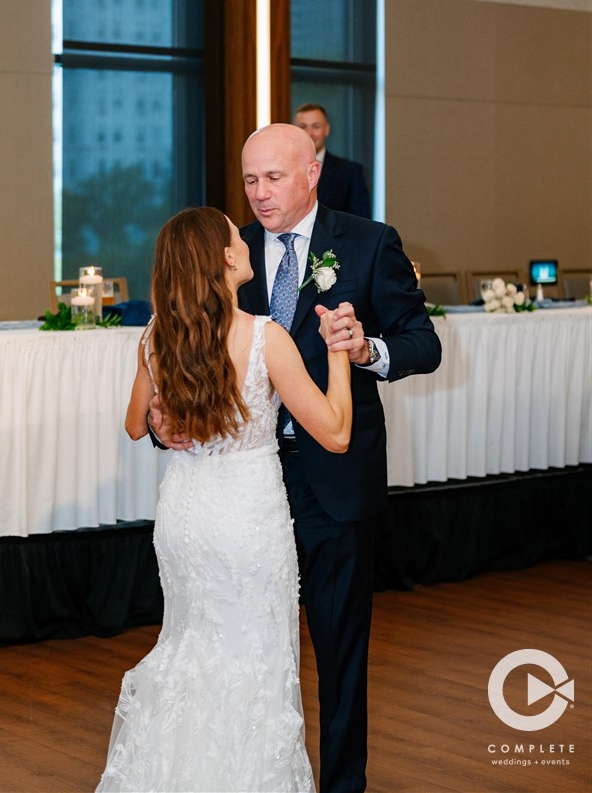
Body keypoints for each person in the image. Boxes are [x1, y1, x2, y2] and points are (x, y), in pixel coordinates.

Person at [96, 206, 352, 793]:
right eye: (237, 237)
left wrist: (165, 420)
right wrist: (338, 352)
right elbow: (336, 433)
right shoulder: (267, 337)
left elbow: (138, 425)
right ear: (225, 258)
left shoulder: (157, 335)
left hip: (185, 512)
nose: (244, 241)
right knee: (254, 660)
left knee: (190, 647)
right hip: (245, 515)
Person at [238, 123, 442, 793]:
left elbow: (422, 343)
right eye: (249, 180)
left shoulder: (368, 241)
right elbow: (198, 357)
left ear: (312, 171)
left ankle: (341, 784)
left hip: (335, 480)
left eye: (273, 177)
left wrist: (366, 352)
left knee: (339, 647)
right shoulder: (229, 253)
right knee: (249, 646)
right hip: (247, 479)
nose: (260, 194)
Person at [294, 102, 371, 217]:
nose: (310, 133)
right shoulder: (280, 170)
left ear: (327, 129)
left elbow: (361, 223)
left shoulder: (351, 172)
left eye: (316, 126)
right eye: (303, 127)